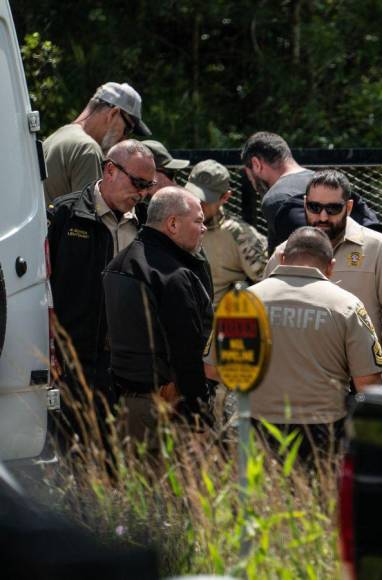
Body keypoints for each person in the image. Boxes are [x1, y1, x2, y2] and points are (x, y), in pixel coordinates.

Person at [248, 227, 382, 458]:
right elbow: (368, 382)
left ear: (282, 258)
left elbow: (213, 368)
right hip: (322, 431)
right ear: (331, 266)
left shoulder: (244, 301)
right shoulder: (347, 306)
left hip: (255, 424)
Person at [48, 139, 156, 430]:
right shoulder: (64, 215)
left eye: (149, 185)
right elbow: (40, 288)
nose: (143, 193)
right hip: (74, 365)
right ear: (110, 170)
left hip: (131, 368)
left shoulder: (149, 225)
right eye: (137, 182)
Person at [265, 170, 382, 383]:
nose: (323, 217)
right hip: (300, 384)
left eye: (333, 209)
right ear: (305, 204)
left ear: (349, 207)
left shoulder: (378, 249)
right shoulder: (284, 253)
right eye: (315, 207)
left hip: (359, 382)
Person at [102, 187, 213, 445]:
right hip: (169, 408)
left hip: (124, 406)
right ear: (172, 223)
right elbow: (187, 352)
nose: (204, 228)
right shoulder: (172, 275)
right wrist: (199, 418)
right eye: (198, 221)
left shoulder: (117, 264)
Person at [240, 131, 382, 252]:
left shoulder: (278, 198)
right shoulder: (331, 183)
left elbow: (306, 256)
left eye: (248, 174)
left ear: (256, 164)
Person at [43, 82, 151, 204]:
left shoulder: (56, 137)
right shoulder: (87, 149)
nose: (124, 139)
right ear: (113, 113)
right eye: (127, 129)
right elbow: (88, 219)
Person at [185, 159, 268, 306]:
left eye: (205, 200)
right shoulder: (173, 223)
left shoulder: (240, 235)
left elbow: (266, 282)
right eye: (193, 195)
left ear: (225, 197)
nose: (197, 203)